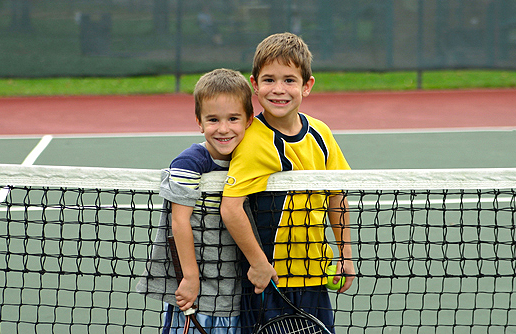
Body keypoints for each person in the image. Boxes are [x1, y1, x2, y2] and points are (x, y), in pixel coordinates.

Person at [220, 32, 355, 333]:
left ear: (307, 86)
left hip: (315, 277)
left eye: (289, 80)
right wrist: (258, 264)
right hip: (269, 282)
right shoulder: (253, 142)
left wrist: (345, 254)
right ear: (254, 85)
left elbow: (336, 197)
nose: (278, 89)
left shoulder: (321, 134)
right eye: (269, 80)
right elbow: (231, 208)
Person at [136, 68, 254, 334]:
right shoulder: (189, 162)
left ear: (249, 119)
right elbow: (179, 221)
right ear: (199, 122)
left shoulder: (250, 161)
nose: (223, 129)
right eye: (213, 119)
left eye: (233, 118)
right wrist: (190, 278)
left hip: (234, 297)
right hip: (194, 298)